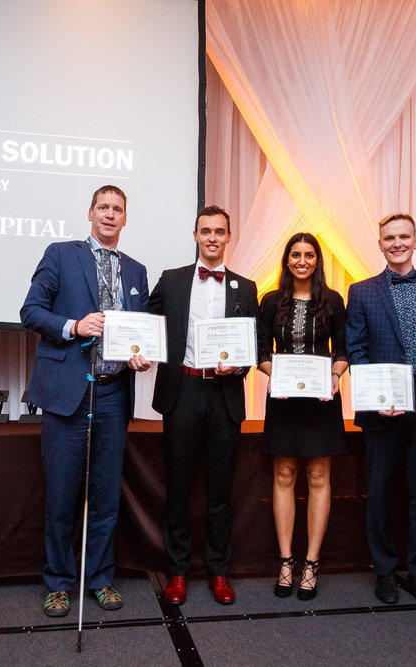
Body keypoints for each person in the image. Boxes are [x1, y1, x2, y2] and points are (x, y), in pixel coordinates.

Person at [20, 185, 152, 618]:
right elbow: (31, 311)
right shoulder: (61, 254)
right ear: (90, 213)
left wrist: (139, 355)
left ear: (125, 218)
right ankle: (58, 583)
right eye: (103, 208)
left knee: (105, 495)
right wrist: (74, 325)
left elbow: (141, 329)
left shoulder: (136, 271)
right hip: (68, 394)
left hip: (113, 394)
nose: (110, 215)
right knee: (61, 495)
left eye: (118, 209)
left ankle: (99, 579)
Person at [149, 205, 258, 606]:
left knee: (220, 491)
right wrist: (138, 348)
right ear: (195, 235)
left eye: (220, 231)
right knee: (177, 488)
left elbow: (254, 344)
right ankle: (177, 572)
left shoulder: (246, 288)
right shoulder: (172, 280)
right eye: (205, 231)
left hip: (225, 396)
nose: (213, 237)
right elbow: (148, 324)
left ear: (229, 237)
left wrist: (241, 366)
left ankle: (218, 571)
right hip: (184, 392)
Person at [346, 212, 416, 605]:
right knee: (379, 489)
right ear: (379, 244)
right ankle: (385, 570)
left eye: (403, 236)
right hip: (382, 404)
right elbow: (356, 350)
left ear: (415, 239)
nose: (396, 243)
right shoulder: (360, 291)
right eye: (389, 238)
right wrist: (378, 397)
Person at [257, 233, 348, 601]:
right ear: (287, 259)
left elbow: (342, 351)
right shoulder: (271, 301)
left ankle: (311, 563)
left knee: (318, 475)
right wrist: (272, 373)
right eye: (295, 254)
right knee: (283, 474)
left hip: (321, 401)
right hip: (283, 399)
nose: (302, 261)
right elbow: (262, 351)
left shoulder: (333, 300)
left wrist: (335, 375)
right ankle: (285, 561)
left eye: (309, 255)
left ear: (317, 260)